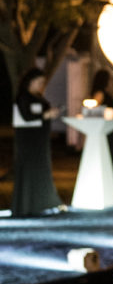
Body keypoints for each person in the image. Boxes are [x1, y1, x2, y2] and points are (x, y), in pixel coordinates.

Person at [11, 66, 64, 216]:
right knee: (29, 171)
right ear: (31, 81)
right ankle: (27, 204)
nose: (41, 85)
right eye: (39, 81)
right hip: (29, 141)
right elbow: (27, 116)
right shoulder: (23, 96)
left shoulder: (38, 96)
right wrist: (46, 115)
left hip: (40, 140)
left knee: (41, 170)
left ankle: (41, 203)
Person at [89, 68, 113, 204]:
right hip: (110, 133)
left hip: (112, 131)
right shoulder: (100, 93)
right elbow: (95, 110)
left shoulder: (103, 93)